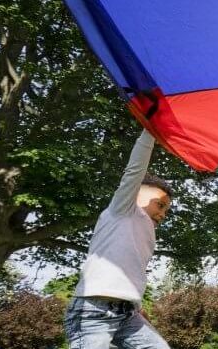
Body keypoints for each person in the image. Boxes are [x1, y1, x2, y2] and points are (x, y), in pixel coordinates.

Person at [64, 130, 172, 348]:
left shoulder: (146, 231)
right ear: (136, 194)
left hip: (128, 314)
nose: (162, 214)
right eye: (159, 205)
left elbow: (131, 270)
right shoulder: (123, 209)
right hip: (93, 312)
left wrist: (136, 303)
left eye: (166, 211)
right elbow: (134, 170)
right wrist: (150, 131)